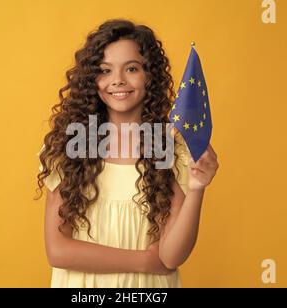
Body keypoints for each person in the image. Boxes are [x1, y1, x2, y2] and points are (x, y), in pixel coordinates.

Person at [36, 19, 219, 287]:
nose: (118, 80)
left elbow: (171, 256)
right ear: (92, 79)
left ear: (150, 75)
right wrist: (145, 261)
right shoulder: (74, 143)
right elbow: (58, 251)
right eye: (105, 70)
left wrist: (197, 189)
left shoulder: (165, 144)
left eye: (131, 68)